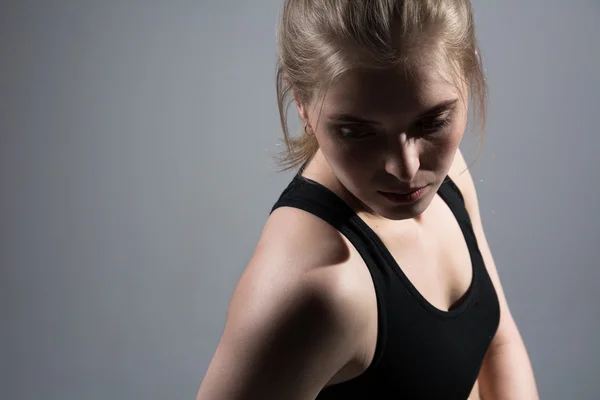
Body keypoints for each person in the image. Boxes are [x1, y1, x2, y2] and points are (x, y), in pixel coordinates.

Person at [197, 0, 539, 399]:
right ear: (302, 102)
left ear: (469, 71)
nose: (405, 168)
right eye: (358, 132)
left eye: (432, 122)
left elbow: (498, 344)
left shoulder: (450, 178)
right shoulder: (315, 289)